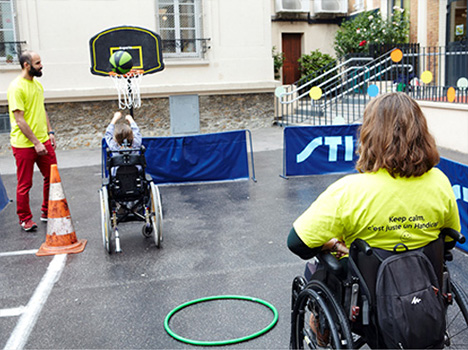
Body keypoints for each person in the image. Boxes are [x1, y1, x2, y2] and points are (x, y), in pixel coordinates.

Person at [288, 91, 461, 269]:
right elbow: (449, 240)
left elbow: (297, 243)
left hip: (368, 282)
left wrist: (335, 245)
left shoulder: (349, 191)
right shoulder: (439, 181)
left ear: (369, 136)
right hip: (422, 278)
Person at [7, 51, 57, 232]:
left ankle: (47, 210)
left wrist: (49, 132)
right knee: (25, 183)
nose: (41, 65)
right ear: (26, 65)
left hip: (43, 140)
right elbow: (19, 120)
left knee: (52, 178)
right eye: (37, 63)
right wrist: (36, 142)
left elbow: (41, 109)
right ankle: (25, 218)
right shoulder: (16, 87)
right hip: (24, 144)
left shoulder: (37, 85)